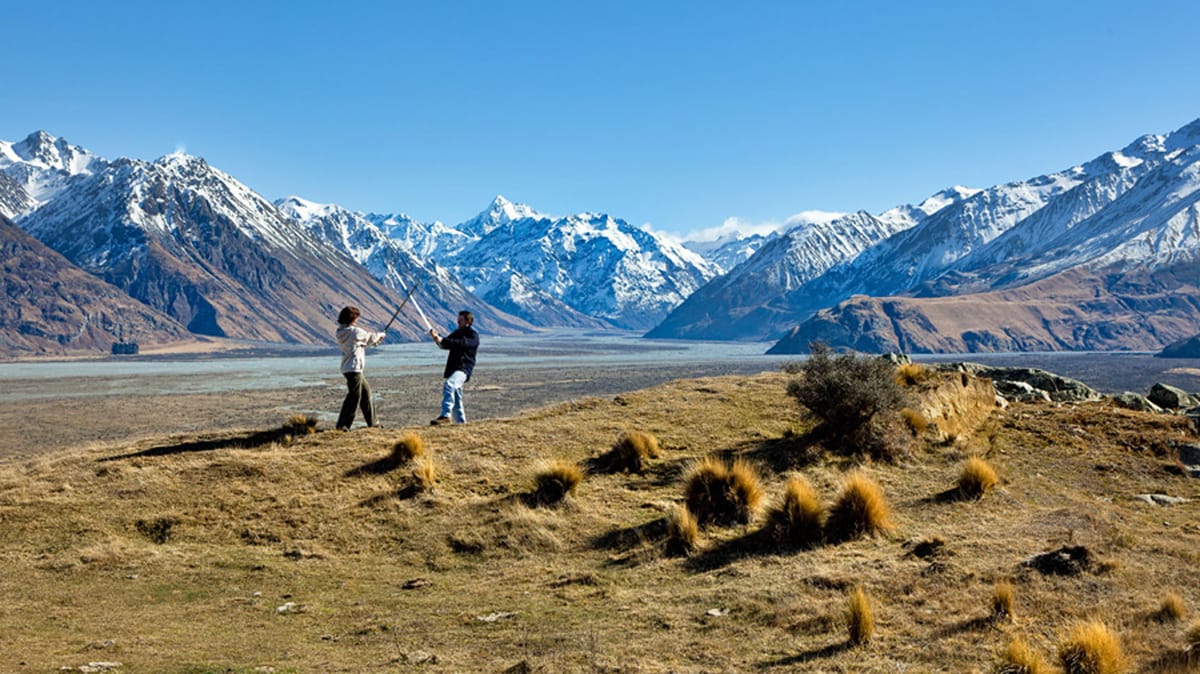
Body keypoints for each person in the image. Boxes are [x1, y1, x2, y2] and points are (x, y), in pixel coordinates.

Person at [335, 306, 386, 430]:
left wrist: (372, 340)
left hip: (348, 368)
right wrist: (381, 335)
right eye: (356, 318)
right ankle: (343, 425)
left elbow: (361, 343)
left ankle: (373, 423)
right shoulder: (355, 332)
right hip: (354, 369)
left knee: (365, 393)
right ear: (352, 318)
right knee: (354, 397)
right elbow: (370, 337)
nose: (356, 320)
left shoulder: (341, 332)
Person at [429, 310, 480, 425]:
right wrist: (437, 339)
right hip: (454, 370)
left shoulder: (473, 335)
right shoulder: (457, 333)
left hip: (463, 369)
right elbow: (446, 344)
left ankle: (445, 415)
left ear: (468, 321)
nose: (458, 322)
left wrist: (442, 340)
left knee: (449, 385)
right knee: (457, 401)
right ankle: (461, 424)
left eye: (460, 320)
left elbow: (462, 344)